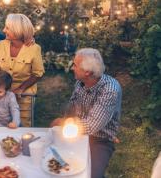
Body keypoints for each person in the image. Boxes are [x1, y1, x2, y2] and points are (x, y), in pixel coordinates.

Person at [50, 48, 122, 178]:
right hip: (76, 133)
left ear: (87, 72)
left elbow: (91, 125)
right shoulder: (81, 82)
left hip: (100, 139)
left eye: (75, 65)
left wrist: (62, 123)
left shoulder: (110, 89)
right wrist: (67, 121)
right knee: (54, 160)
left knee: (90, 174)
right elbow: (72, 107)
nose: (72, 68)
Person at [0, 14, 45, 127]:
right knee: (2, 125)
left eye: (7, 28)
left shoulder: (34, 48)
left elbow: (38, 74)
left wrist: (21, 89)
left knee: (22, 127)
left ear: (17, 30)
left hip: (24, 97)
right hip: (2, 96)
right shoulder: (1, 45)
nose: (4, 30)